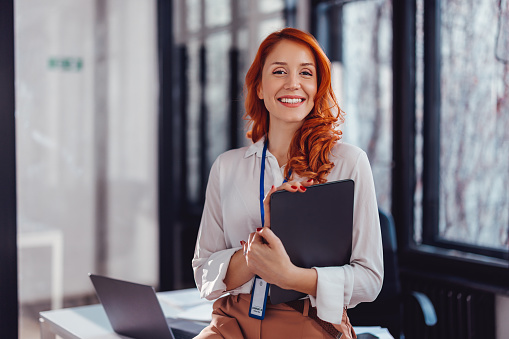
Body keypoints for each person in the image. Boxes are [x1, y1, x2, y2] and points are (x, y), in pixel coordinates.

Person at [192, 27, 383, 339]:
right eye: (279, 71)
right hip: (232, 320)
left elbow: (370, 279)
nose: (293, 83)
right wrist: (257, 251)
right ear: (259, 88)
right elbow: (204, 273)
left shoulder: (349, 163)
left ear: (318, 87)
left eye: (305, 73)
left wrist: (290, 276)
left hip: (307, 321)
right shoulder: (227, 167)